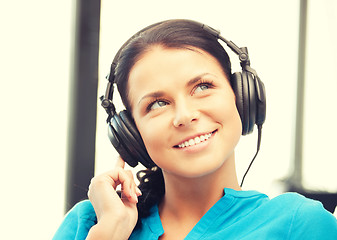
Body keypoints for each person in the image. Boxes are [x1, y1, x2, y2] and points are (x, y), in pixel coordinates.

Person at [53, 19, 337, 240]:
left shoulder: (299, 224)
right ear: (131, 134)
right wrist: (111, 230)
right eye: (157, 103)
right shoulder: (91, 222)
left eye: (203, 87)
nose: (184, 116)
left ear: (241, 97)